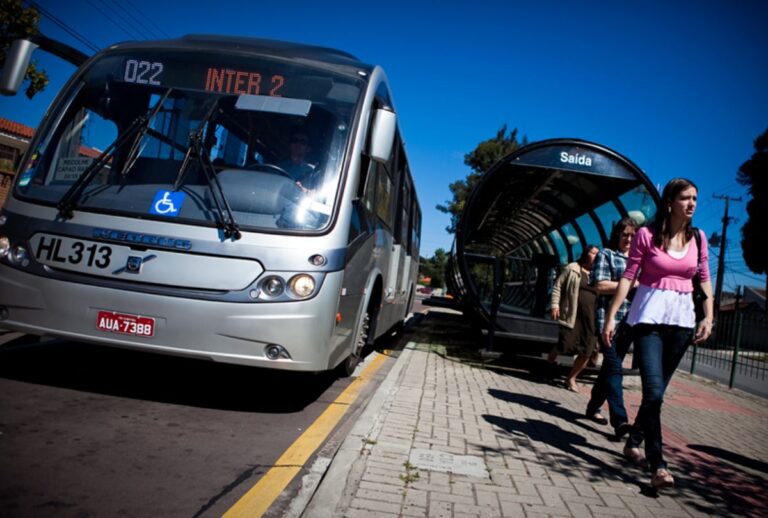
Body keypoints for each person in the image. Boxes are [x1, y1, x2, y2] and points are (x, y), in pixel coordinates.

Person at [602, 178, 714, 490]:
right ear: (669, 202)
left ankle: (634, 440)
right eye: (685, 198)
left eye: (695, 198)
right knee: (653, 392)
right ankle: (658, 464)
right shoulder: (646, 235)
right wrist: (611, 317)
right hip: (648, 321)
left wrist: (709, 316)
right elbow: (628, 277)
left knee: (658, 393)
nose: (692, 204)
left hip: (682, 324)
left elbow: (704, 279)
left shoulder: (699, 238)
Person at [584, 217, 639, 440]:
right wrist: (632, 284)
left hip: (630, 322)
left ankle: (593, 406)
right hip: (608, 320)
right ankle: (620, 420)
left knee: (609, 367)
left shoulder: (640, 260)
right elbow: (600, 285)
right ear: (617, 235)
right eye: (625, 234)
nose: (629, 239)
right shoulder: (606, 255)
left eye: (633, 235)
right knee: (615, 368)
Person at [547, 245, 600, 393]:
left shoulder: (600, 273)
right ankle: (550, 360)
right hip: (573, 315)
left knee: (587, 350)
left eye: (598, 254)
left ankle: (571, 378)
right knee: (565, 344)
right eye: (593, 253)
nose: (596, 256)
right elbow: (558, 286)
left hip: (591, 319)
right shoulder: (573, 268)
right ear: (586, 254)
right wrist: (555, 305)